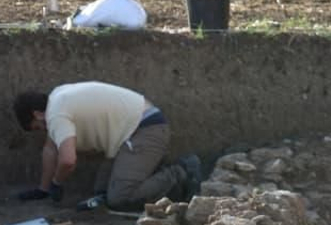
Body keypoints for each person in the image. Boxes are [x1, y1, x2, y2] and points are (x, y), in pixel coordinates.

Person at [12, 82, 201, 212]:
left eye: (38, 127)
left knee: (120, 198)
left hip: (145, 130)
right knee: (100, 193)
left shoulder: (56, 116)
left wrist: (57, 183)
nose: (44, 131)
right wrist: (43, 190)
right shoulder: (57, 97)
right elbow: (50, 149)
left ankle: (181, 172)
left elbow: (68, 160)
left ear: (37, 114)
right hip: (133, 130)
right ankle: (149, 171)